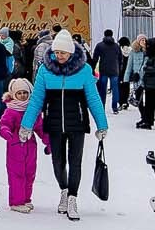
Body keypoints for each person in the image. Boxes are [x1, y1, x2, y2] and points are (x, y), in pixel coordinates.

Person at [20, 29, 109, 220]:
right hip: (53, 122)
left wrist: (102, 125)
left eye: (63, 52)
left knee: (75, 161)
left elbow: (93, 98)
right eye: (56, 52)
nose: (59, 56)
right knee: (58, 162)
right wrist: (26, 125)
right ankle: (64, 189)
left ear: (71, 52)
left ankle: (72, 197)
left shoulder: (84, 70)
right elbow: (36, 99)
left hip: (76, 122)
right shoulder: (45, 69)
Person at [0, 78, 39, 212]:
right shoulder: (11, 111)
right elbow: (4, 124)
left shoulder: (32, 110)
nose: (22, 96)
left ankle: (26, 198)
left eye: (25, 93)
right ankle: (16, 201)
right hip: (15, 147)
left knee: (30, 173)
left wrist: (48, 141)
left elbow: (40, 127)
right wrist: (6, 132)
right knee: (17, 174)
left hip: (30, 146)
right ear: (13, 94)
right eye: (19, 93)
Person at [91, 29, 125, 114]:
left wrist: (92, 69)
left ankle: (102, 106)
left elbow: (95, 58)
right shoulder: (116, 46)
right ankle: (114, 107)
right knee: (115, 89)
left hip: (104, 69)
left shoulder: (99, 45)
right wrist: (119, 68)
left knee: (102, 89)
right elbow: (120, 58)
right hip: (114, 69)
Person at [125, 37, 149, 125]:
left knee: (148, 99)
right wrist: (126, 78)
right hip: (137, 79)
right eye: (142, 40)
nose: (143, 42)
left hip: (147, 78)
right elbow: (129, 65)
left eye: (145, 40)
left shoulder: (148, 51)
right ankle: (143, 116)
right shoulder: (133, 52)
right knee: (138, 99)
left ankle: (147, 117)